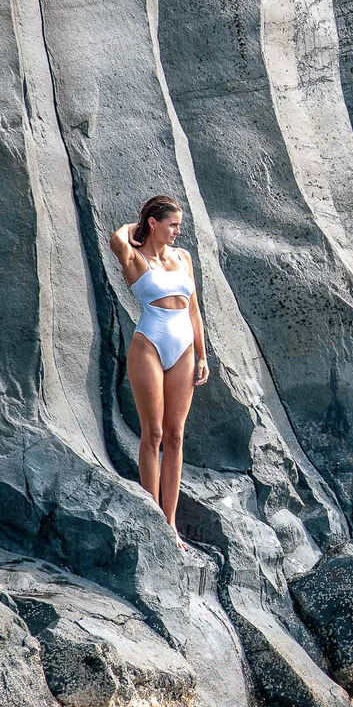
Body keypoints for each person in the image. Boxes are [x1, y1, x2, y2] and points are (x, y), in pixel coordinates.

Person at [109, 196, 209, 536]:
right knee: (152, 433)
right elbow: (116, 239)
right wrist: (132, 230)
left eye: (179, 225)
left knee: (176, 436)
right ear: (154, 223)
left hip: (184, 347)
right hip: (149, 342)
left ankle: (170, 522)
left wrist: (203, 354)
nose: (178, 231)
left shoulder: (184, 258)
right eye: (173, 224)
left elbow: (193, 309)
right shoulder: (134, 258)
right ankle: (152, 519)